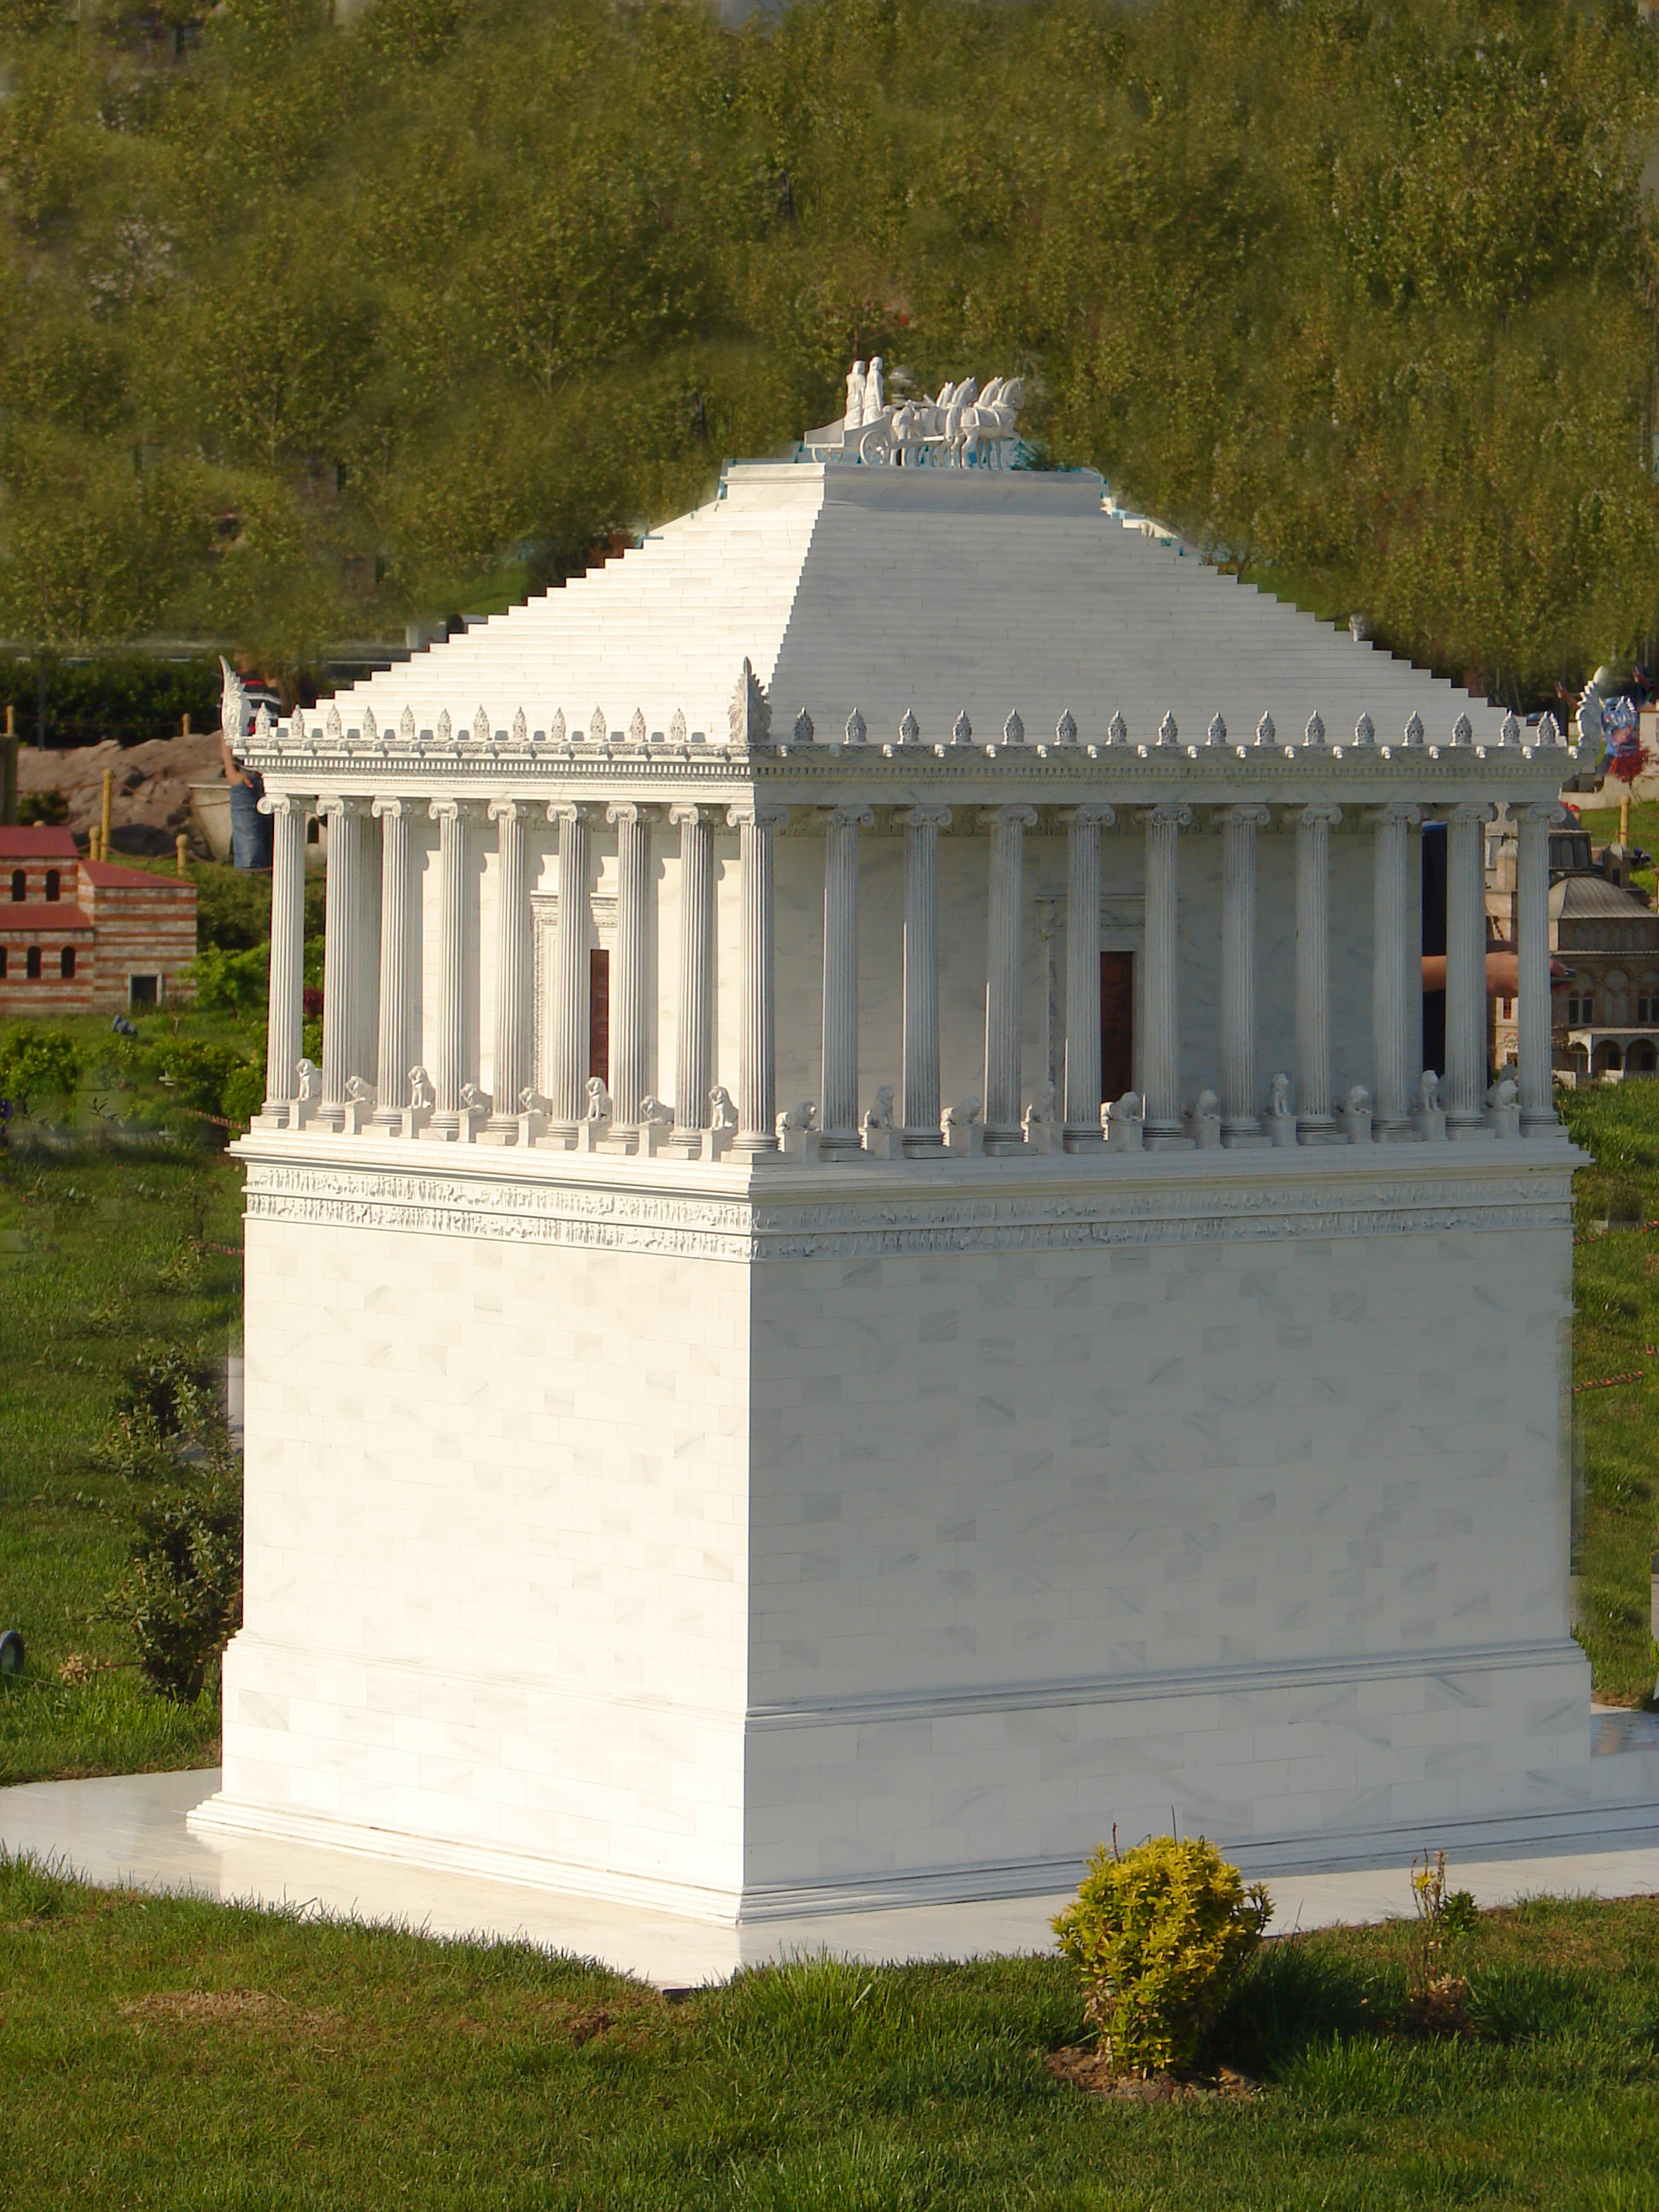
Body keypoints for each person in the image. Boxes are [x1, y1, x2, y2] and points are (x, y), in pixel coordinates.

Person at [218, 656, 272, 870]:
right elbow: (227, 729)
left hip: (274, 778)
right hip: (246, 776)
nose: (238, 658)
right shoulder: (239, 684)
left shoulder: (284, 689)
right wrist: (231, 772)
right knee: (249, 854)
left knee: (279, 847)